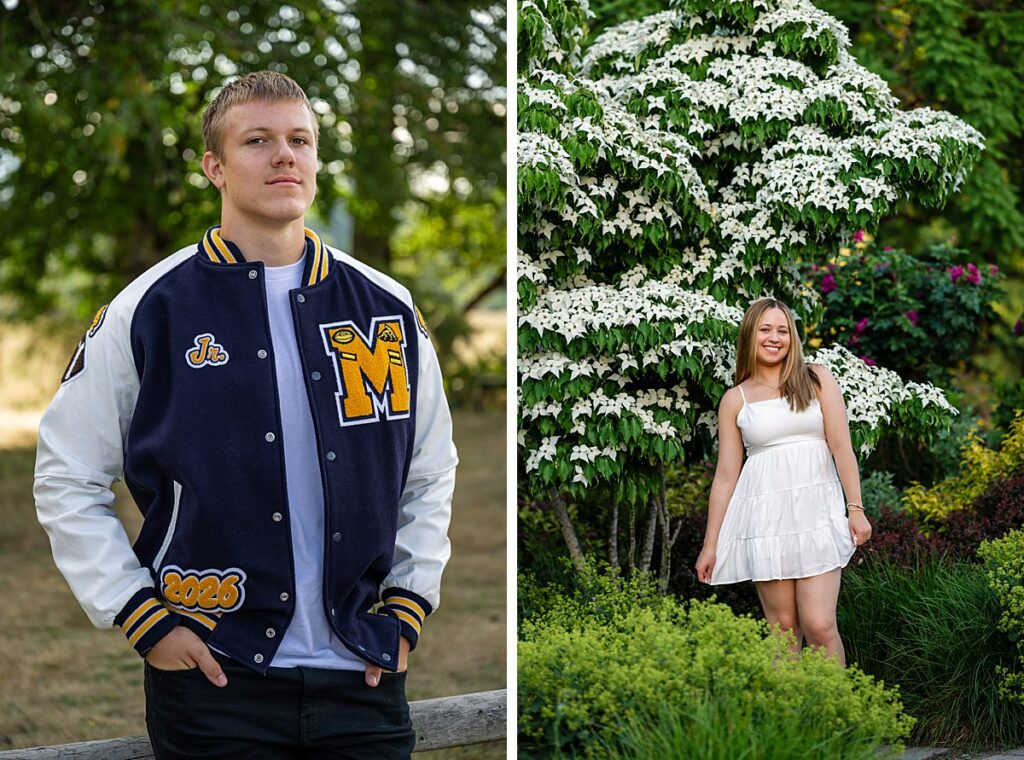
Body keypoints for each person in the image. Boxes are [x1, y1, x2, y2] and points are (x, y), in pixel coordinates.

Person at [34, 70, 457, 758]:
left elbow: (430, 470)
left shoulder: (386, 307)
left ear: (317, 159)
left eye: (300, 140)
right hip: (213, 678)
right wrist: (143, 619)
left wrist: (406, 609)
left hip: (363, 671)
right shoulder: (151, 310)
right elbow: (66, 475)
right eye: (257, 140)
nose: (284, 155)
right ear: (215, 167)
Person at [696, 298, 871, 666]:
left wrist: (855, 508)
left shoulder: (816, 378)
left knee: (820, 624)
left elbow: (841, 446)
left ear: (792, 336)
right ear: (750, 336)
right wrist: (711, 545)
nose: (774, 338)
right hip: (766, 521)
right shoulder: (735, 400)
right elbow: (726, 476)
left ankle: (837, 717)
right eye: (765, 329)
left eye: (782, 330)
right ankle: (790, 720)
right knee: (784, 629)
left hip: (816, 514)